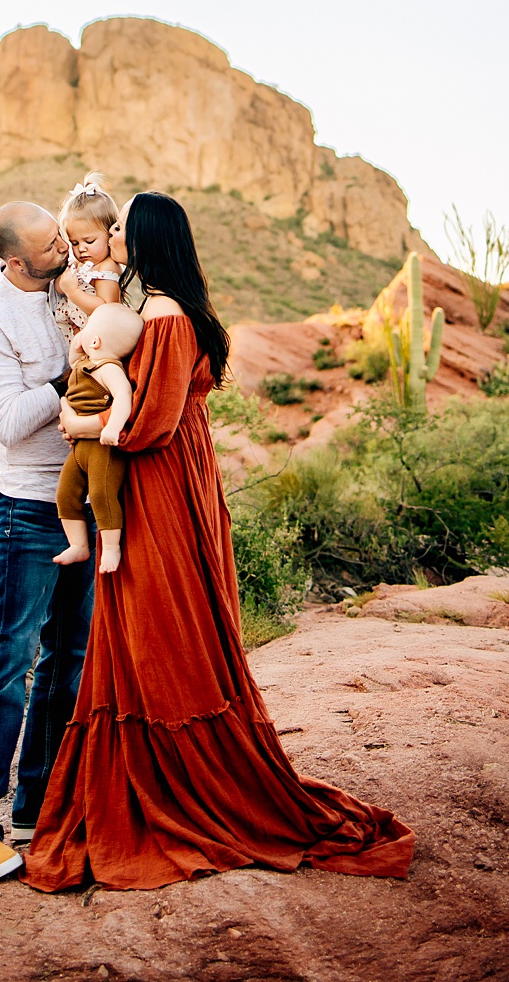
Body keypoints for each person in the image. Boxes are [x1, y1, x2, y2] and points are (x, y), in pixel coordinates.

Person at [24, 191, 415, 892]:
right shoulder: (165, 306)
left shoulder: (168, 316)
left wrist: (81, 431)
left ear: (145, 239)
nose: (113, 236)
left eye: (121, 229)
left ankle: (174, 783)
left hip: (162, 483)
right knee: (154, 620)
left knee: (157, 620)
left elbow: (150, 422)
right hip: (173, 480)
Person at [0, 202, 95, 884]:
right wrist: (70, 375)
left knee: (69, 657)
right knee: (8, 663)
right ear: (15, 260)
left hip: (93, 503)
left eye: (61, 235)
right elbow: (7, 422)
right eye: (48, 244)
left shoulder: (69, 286)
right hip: (30, 509)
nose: (62, 246)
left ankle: (38, 804)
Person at [53, 300, 143, 574]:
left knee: (102, 495)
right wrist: (77, 343)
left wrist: (112, 427)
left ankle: (112, 547)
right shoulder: (84, 364)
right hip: (79, 448)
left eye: (87, 328)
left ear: (95, 340)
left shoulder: (110, 369)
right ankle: (79, 545)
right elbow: (72, 361)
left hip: (102, 447)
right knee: (66, 494)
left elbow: (124, 399)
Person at [51, 174, 122, 341]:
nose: (81, 249)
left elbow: (106, 308)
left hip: (100, 337)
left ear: (109, 233)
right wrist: (64, 284)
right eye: (74, 243)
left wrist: (73, 291)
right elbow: (59, 287)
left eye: (89, 241)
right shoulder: (81, 263)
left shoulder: (107, 267)